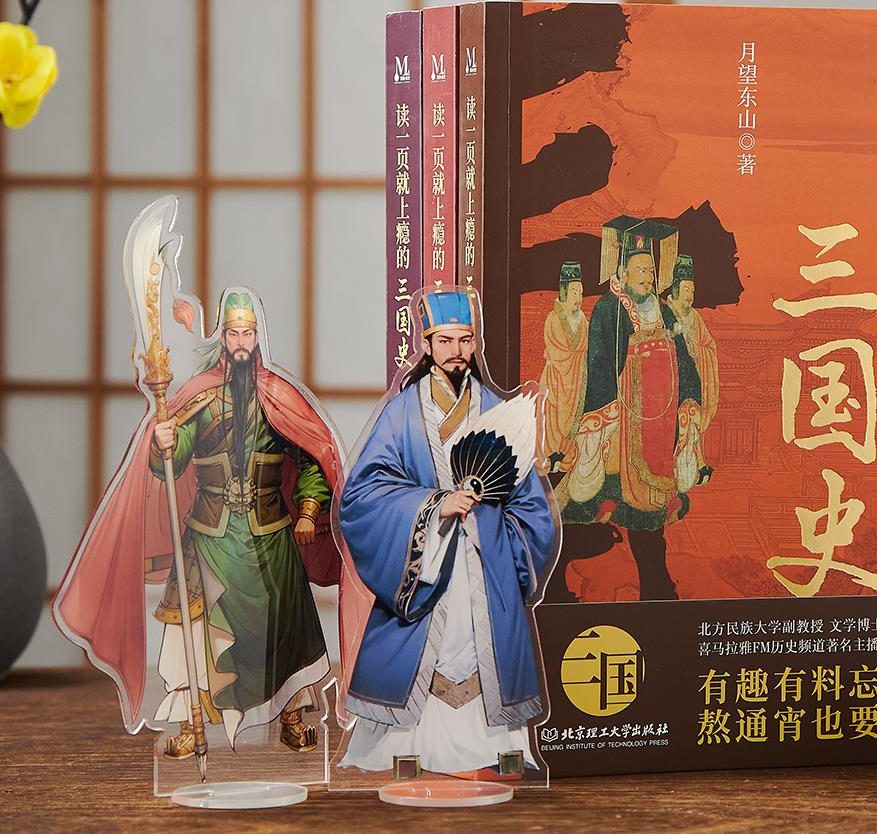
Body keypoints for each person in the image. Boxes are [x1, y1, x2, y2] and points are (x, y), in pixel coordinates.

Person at [56, 290, 343, 754]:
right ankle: (191, 724)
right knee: (192, 631)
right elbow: (168, 464)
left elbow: (311, 457)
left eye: (248, 332)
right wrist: (163, 441)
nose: (241, 341)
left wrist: (309, 511)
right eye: (233, 333)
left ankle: (291, 715)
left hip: (271, 535)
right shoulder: (199, 395)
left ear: (258, 336)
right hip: (209, 535)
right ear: (222, 338)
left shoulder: (278, 396)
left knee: (286, 628)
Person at [338, 289, 558, 775]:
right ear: (427, 345)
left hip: (484, 565)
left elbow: (533, 510)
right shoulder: (401, 414)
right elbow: (362, 496)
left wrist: (498, 539)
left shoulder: (498, 413)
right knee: (422, 648)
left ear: (475, 343)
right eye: (445, 341)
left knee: (484, 648)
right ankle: (405, 748)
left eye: (465, 340)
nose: (456, 351)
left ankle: (496, 749)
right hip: (424, 564)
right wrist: (434, 506)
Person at [557, 218, 705, 600]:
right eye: (639, 270)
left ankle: (657, 588)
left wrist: (690, 397)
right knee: (592, 509)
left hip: (661, 426)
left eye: (651, 271)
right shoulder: (609, 308)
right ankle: (556, 583)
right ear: (622, 272)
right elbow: (599, 365)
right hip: (622, 425)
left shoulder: (665, 312)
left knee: (649, 522)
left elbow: (684, 358)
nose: (647, 278)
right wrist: (606, 414)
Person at [664, 254, 718, 492]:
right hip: (669, 379)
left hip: (691, 378)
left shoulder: (694, 317)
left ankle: (699, 464)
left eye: (692, 291)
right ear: (676, 289)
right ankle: (673, 469)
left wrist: (697, 350)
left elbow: (709, 345)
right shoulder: (665, 312)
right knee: (675, 425)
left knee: (693, 419)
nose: (690, 295)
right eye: (686, 290)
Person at [540, 260, 588, 475]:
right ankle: (549, 457)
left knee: (574, 419)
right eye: (574, 292)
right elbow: (557, 349)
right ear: (564, 292)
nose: (578, 298)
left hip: (576, 378)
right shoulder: (553, 318)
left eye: (581, 293)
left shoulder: (582, 319)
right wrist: (573, 359)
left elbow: (586, 346)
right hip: (556, 378)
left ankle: (566, 458)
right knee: (551, 419)